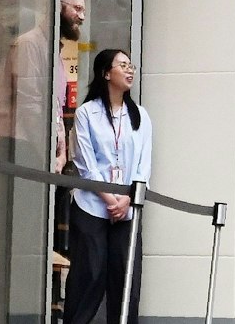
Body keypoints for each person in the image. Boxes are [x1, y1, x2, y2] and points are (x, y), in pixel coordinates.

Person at [66, 49, 151, 324]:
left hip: (126, 210)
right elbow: (85, 163)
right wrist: (109, 197)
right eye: (122, 65)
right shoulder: (86, 114)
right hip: (92, 205)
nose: (130, 71)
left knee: (126, 283)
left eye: (131, 66)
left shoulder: (140, 116)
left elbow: (143, 166)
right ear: (105, 73)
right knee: (88, 276)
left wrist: (126, 199)